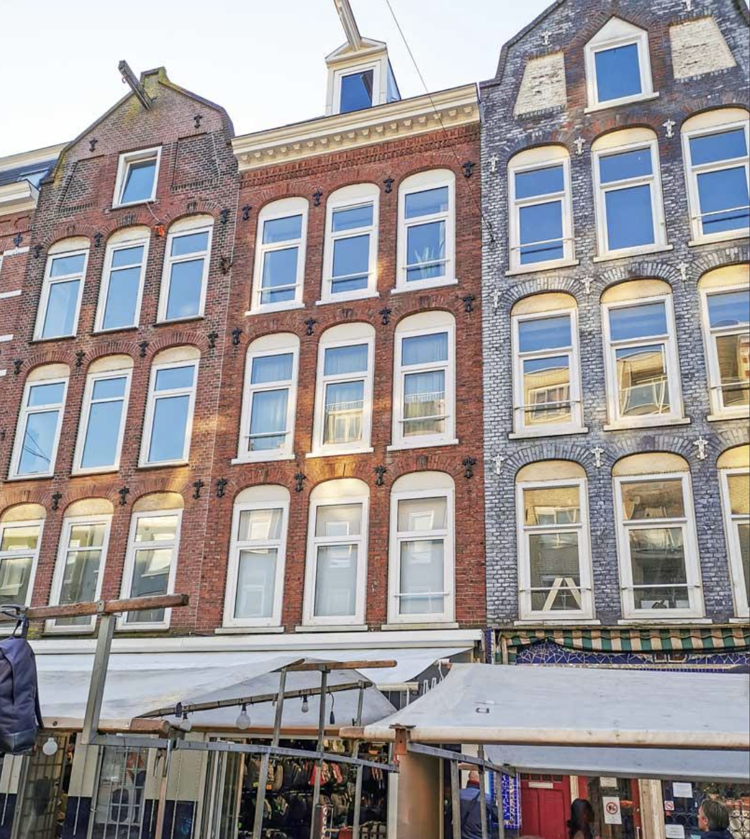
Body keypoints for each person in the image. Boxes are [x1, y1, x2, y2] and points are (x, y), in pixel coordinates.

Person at [460, 770, 499, 839]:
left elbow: (449, 815)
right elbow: (497, 817)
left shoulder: (458, 794)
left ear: (469, 777)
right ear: (480, 779)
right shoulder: (487, 798)